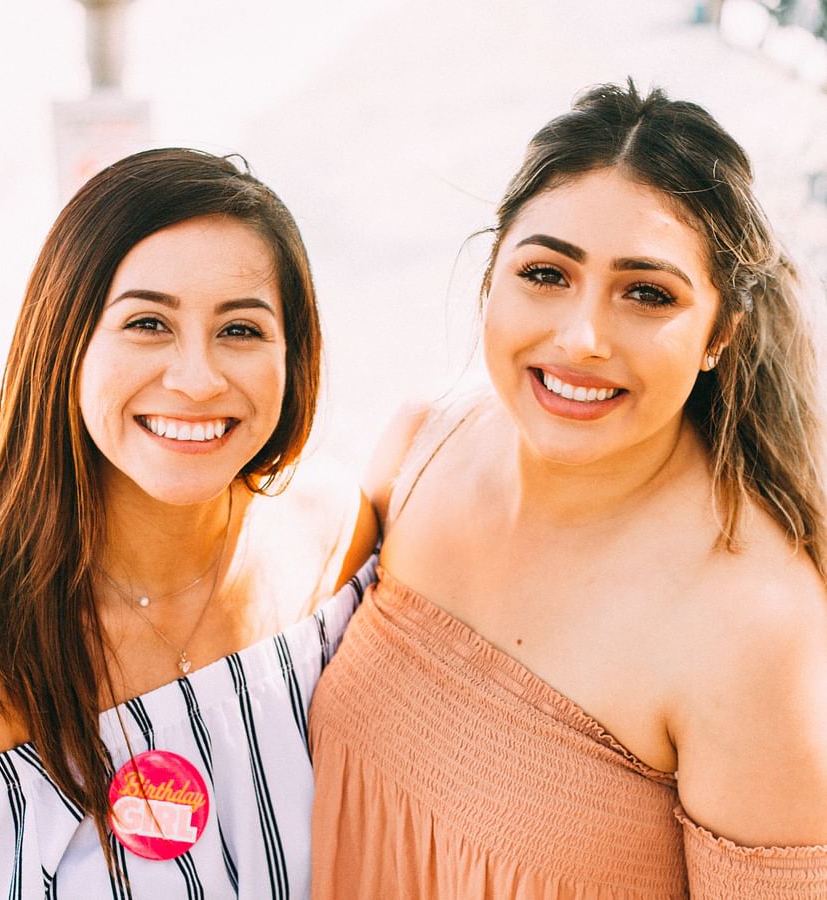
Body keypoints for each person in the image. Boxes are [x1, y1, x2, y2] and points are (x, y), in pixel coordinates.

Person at [310, 82, 827, 897]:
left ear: (717, 335)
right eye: (547, 273)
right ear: (493, 278)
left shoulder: (757, 633)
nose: (583, 338)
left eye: (647, 293)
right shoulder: (418, 450)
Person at [0, 148, 376, 898]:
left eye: (240, 330)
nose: (197, 378)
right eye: (146, 323)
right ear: (64, 342)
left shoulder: (332, 538)